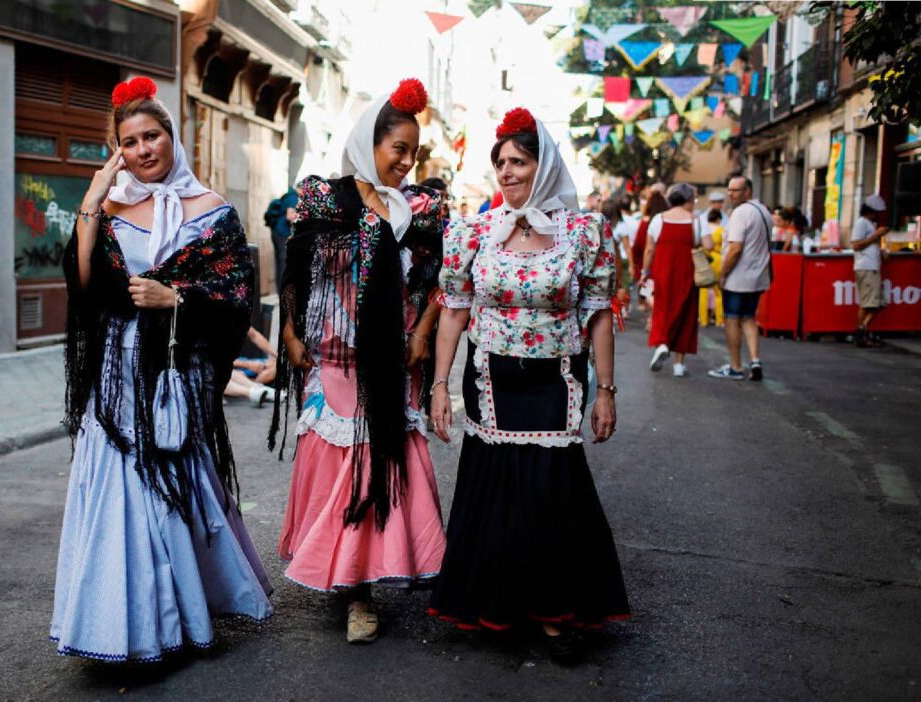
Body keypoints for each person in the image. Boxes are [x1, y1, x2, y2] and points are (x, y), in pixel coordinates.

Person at [53, 77, 272, 663]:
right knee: (118, 493)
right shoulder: (110, 205)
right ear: (117, 149)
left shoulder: (214, 211)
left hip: (177, 373)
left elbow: (235, 297)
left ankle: (177, 619)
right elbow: (81, 284)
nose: (144, 149)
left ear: (172, 137)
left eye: (152, 135)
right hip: (117, 371)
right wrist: (92, 202)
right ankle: (115, 625)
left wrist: (175, 298)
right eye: (130, 141)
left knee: (171, 483)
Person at [428, 106, 630, 665]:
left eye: (518, 161)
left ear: (543, 167)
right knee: (495, 487)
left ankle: (551, 612)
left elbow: (598, 313)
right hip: (491, 379)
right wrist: (440, 385)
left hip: (557, 381)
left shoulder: (584, 231)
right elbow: (453, 310)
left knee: (548, 490)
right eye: (500, 164)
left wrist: (606, 391)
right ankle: (498, 602)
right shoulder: (472, 231)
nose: (508, 172)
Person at [269, 78, 447, 644]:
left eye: (413, 153)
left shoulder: (420, 206)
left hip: (393, 361)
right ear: (369, 143)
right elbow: (295, 268)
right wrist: (291, 332)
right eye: (398, 149)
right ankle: (352, 587)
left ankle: (365, 586)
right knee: (341, 471)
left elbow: (442, 276)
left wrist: (421, 330)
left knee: (381, 465)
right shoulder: (327, 198)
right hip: (333, 356)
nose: (405, 162)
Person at [709, 176, 773, 381]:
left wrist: (723, 274)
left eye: (735, 190)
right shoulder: (764, 211)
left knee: (731, 319)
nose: (730, 194)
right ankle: (755, 360)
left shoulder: (741, 213)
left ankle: (736, 366)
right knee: (748, 318)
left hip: (739, 278)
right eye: (729, 190)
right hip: (757, 277)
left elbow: (735, 249)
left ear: (747, 192)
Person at [641, 183, 706, 377]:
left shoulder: (658, 219)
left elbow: (649, 249)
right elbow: (708, 244)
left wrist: (645, 272)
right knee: (685, 315)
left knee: (661, 309)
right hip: (687, 273)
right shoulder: (695, 221)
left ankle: (662, 344)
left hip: (662, 273)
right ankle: (679, 365)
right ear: (688, 200)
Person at [851, 194, 891, 348]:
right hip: (866, 267)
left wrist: (879, 250)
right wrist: (877, 235)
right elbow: (855, 245)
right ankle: (861, 332)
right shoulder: (862, 223)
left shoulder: (868, 224)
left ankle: (862, 330)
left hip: (871, 266)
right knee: (869, 303)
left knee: (876, 302)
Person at [631, 191, 670, 312]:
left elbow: (638, 246)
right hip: (664, 263)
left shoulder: (645, 222)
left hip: (648, 265)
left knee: (648, 293)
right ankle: (653, 318)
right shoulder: (667, 220)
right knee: (662, 295)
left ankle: (652, 317)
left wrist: (638, 265)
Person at [225, 327, 277, 406]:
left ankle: (260, 389)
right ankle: (256, 389)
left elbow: (254, 335)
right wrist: (247, 365)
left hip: (241, 361)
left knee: (276, 366)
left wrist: (278, 356)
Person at [265, 187, 300, 293]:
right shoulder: (294, 198)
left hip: (276, 231)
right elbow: (289, 216)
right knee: (284, 261)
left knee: (279, 261)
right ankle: (283, 289)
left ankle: (279, 288)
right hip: (283, 233)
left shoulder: (288, 195)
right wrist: (302, 218)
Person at [698, 208, 725, 327]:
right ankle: (720, 319)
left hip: (705, 259)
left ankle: (703, 319)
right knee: (718, 290)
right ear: (719, 219)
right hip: (718, 259)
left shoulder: (704, 229)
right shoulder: (721, 230)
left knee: (703, 290)